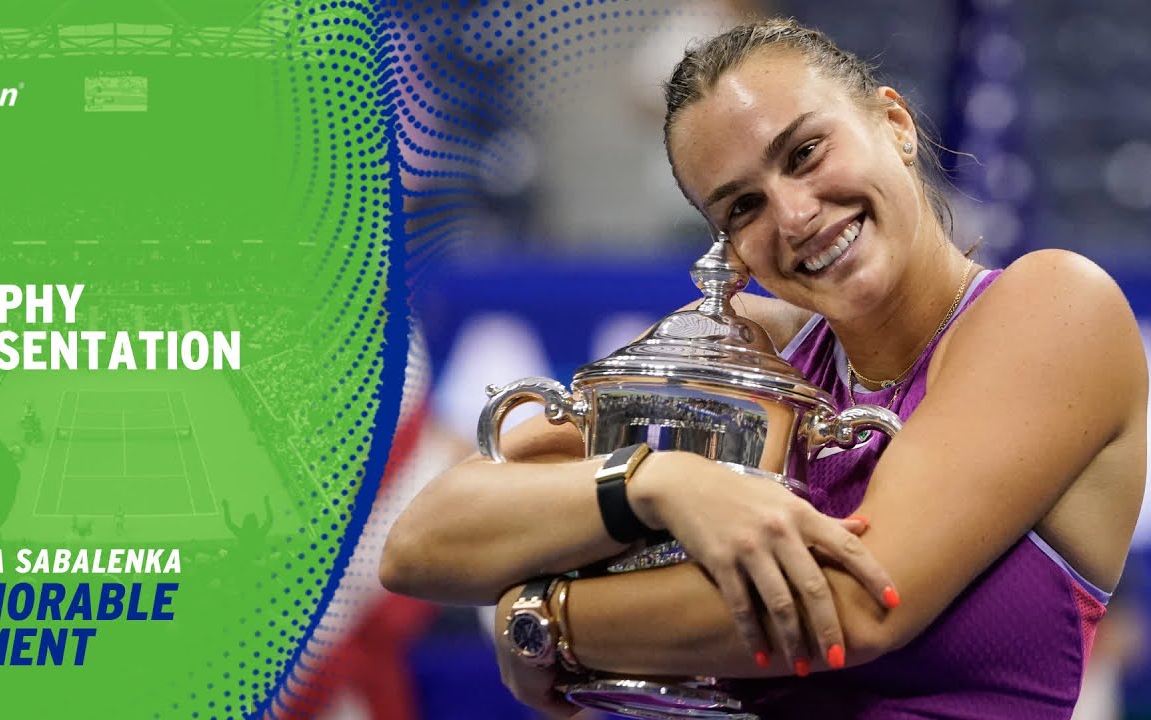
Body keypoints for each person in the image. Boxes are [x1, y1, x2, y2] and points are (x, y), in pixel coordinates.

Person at [379, 17, 1149, 720]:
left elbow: (854, 605)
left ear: (896, 123)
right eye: (740, 207)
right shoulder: (755, 351)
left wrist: (543, 623)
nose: (792, 215)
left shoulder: (1055, 307)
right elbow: (420, 544)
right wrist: (659, 484)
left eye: (805, 153)